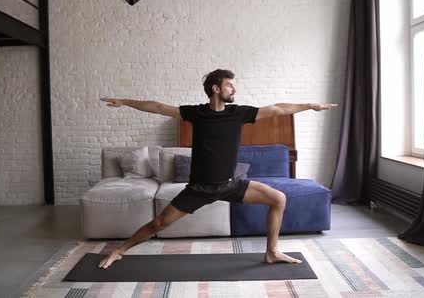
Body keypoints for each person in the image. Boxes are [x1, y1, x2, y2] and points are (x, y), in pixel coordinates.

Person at [98, 69, 337, 269]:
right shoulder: (196, 113)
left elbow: (276, 109)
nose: (234, 90)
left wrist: (309, 105)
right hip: (199, 189)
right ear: (216, 88)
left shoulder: (239, 113)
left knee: (279, 199)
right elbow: (159, 107)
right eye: (229, 85)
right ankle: (119, 250)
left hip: (231, 184)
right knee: (158, 224)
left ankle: (272, 252)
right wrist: (125, 102)